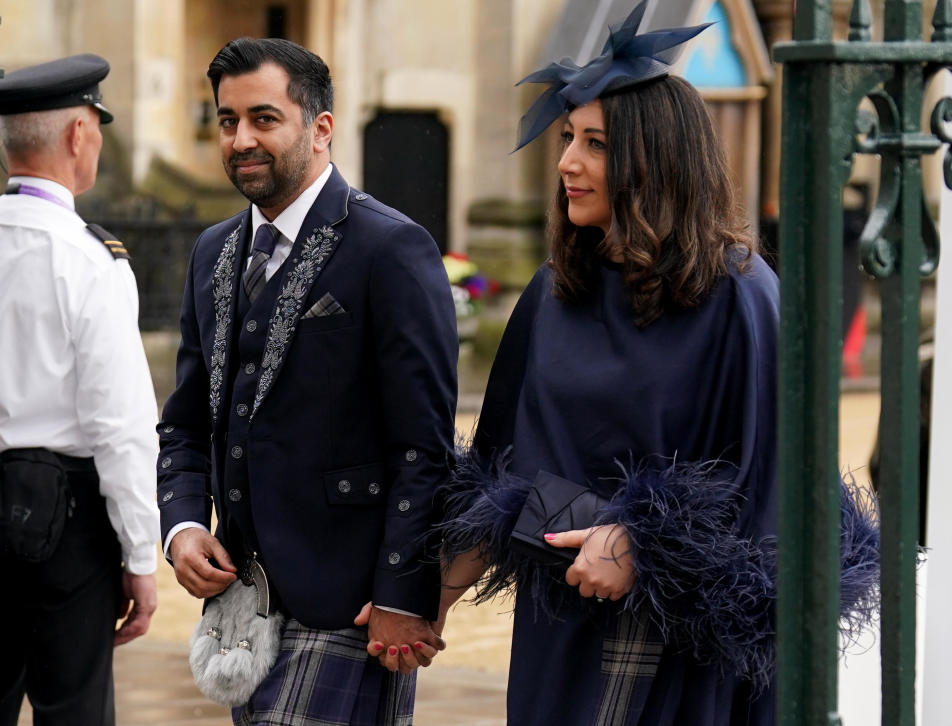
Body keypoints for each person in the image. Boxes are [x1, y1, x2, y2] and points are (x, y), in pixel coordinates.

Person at [378, 3, 878, 725]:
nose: (569, 163)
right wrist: (426, 600)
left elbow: (771, 492)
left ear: (656, 160)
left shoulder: (742, 295)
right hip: (562, 634)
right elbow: (495, 474)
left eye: (596, 144)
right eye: (568, 139)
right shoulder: (551, 293)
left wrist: (643, 541)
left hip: (689, 647)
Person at [157, 37, 458, 725]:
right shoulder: (213, 251)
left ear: (320, 129)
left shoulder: (391, 248)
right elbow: (184, 421)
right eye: (227, 121)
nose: (240, 140)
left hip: (352, 605)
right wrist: (180, 524)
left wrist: (403, 596)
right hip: (244, 602)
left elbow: (424, 446)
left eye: (264, 119)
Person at [0, 54, 160, 725]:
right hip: (66, 518)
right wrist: (141, 554)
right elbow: (118, 424)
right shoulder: (89, 260)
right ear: (77, 135)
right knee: (75, 712)